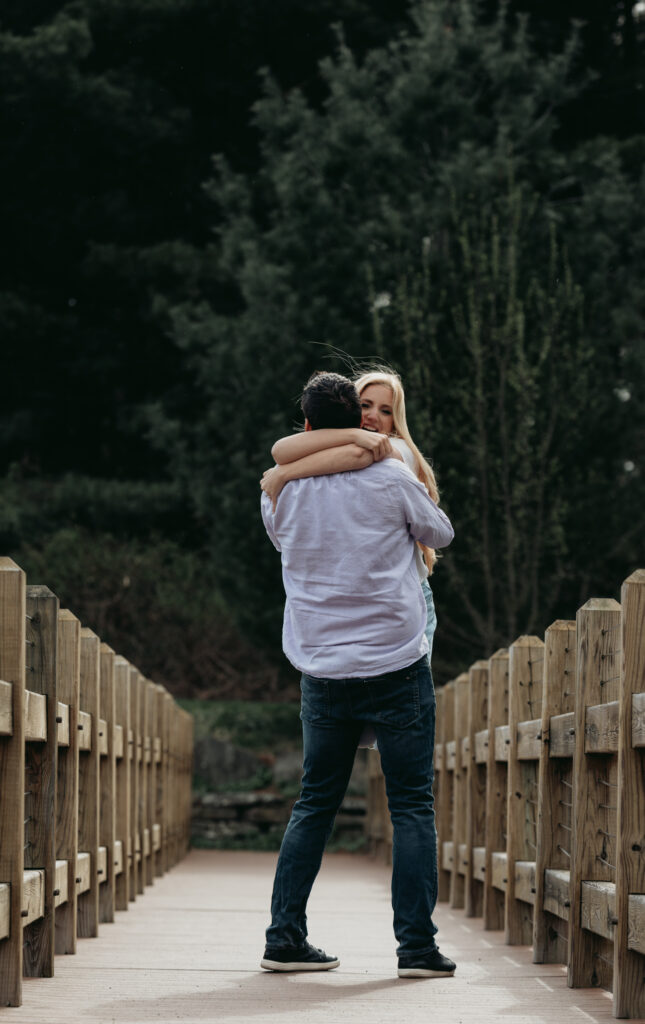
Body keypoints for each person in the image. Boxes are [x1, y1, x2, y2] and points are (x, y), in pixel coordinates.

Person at [260, 371, 456, 979]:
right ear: (355, 420)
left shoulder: (280, 493)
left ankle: (284, 938)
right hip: (395, 663)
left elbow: (284, 540)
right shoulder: (393, 475)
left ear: (309, 424)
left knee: (314, 804)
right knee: (412, 807)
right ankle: (416, 950)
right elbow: (440, 534)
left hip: (323, 669)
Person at [262, 368, 440, 662]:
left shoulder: (396, 449)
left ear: (396, 421)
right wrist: (351, 434)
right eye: (366, 405)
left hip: (408, 598)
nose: (373, 416)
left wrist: (286, 474)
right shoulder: (351, 443)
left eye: (386, 411)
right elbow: (280, 449)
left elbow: (354, 457)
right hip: (365, 603)